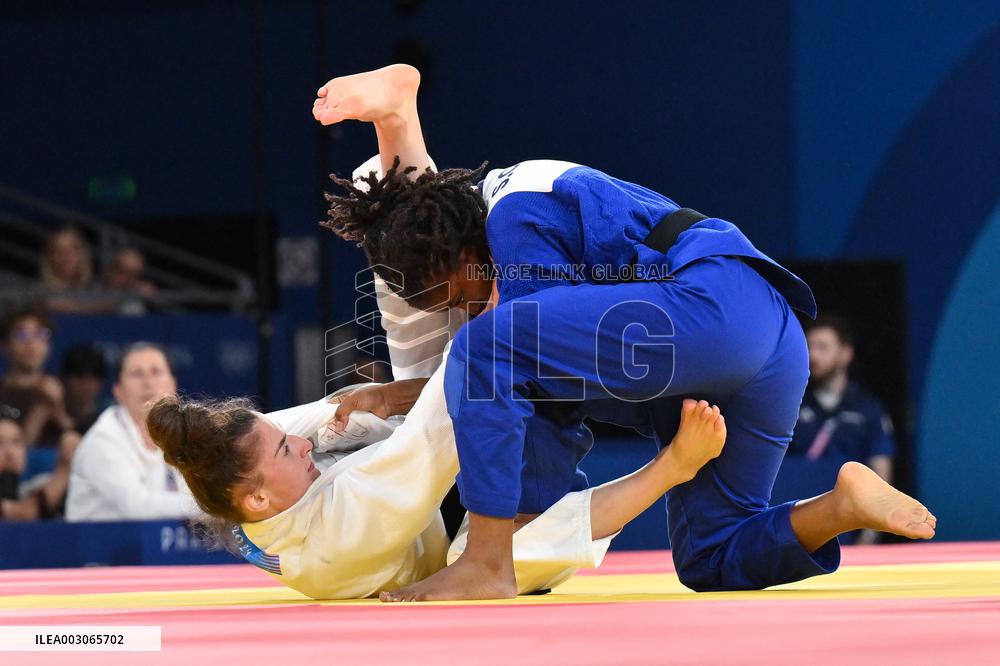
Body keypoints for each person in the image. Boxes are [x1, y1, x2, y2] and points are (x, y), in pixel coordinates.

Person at [314, 64, 937, 601]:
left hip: (711, 306)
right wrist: (402, 394)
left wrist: (509, 525)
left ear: (462, 248)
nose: (474, 305)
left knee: (489, 349)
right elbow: (531, 375)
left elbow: (517, 378)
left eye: (463, 293)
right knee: (710, 557)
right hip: (764, 347)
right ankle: (840, 505)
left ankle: (486, 564)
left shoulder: (513, 216)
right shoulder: (503, 216)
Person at [146, 364, 727, 600]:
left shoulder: (251, 489)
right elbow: (429, 436)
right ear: (257, 498)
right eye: (283, 449)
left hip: (430, 479)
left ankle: (395, 130)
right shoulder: (336, 536)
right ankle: (674, 466)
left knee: (356, 407)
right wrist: (497, 325)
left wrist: (377, 397)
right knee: (502, 550)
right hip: (477, 519)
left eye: (283, 435)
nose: (298, 443)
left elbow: (327, 415)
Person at [771, 314, 896, 545]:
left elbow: (880, 466)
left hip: (850, 530)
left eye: (823, 347)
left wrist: (870, 534)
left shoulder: (868, 409)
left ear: (845, 354)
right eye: (809, 346)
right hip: (795, 530)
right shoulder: (789, 404)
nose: (813, 355)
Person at [65, 343, 199, 521]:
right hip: (96, 546)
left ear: (172, 385)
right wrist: (210, 507)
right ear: (118, 392)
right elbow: (137, 507)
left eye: (156, 372)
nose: (148, 383)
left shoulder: (183, 436)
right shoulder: (102, 440)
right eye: (136, 374)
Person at [0, 307, 76, 447]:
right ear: (5, 345)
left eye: (41, 334)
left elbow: (79, 447)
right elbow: (15, 455)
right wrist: (40, 409)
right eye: (21, 335)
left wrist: (58, 409)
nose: (31, 343)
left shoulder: (64, 390)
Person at [0, 408, 76, 521]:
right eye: (0, 443)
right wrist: (64, 469)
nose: (10, 452)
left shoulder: (37, 484)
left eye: (16, 442)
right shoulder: (54, 483)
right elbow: (24, 513)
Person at [60, 343, 109, 435]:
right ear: (65, 379)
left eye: (92, 377)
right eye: (79, 376)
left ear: (102, 382)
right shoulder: (49, 415)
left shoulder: (111, 418)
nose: (86, 384)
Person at [100, 247, 157, 315]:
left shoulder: (139, 302)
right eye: (123, 272)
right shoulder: (91, 290)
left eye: (134, 275)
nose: (128, 280)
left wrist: (153, 299)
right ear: (109, 271)